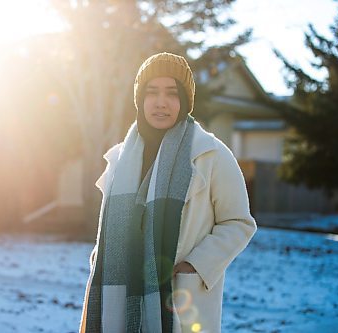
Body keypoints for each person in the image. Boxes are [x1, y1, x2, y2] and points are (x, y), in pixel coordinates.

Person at [79, 52, 257, 333]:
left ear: (185, 101)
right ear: (140, 99)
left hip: (180, 300)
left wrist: (195, 265)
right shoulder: (119, 159)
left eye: (172, 93)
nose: (161, 102)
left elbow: (239, 222)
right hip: (118, 293)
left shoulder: (210, 153)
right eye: (152, 92)